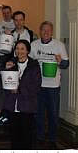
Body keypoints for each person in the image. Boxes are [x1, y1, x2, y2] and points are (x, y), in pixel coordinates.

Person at [30, 21, 69, 149]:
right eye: (43, 30)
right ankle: (39, 137)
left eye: (48, 30)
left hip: (53, 85)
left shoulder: (59, 45)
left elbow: (65, 65)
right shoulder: (34, 45)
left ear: (52, 32)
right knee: (38, 113)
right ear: (40, 31)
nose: (46, 32)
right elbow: (28, 63)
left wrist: (60, 61)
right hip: (38, 85)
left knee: (53, 113)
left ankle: (52, 139)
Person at [0, 40, 42, 149]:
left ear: (27, 51)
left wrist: (19, 90)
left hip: (27, 106)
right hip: (12, 106)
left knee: (26, 136)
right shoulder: (10, 63)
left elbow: (36, 86)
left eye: (22, 48)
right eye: (17, 48)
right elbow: (3, 83)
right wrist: (5, 69)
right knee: (14, 136)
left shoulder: (34, 65)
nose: (19, 51)